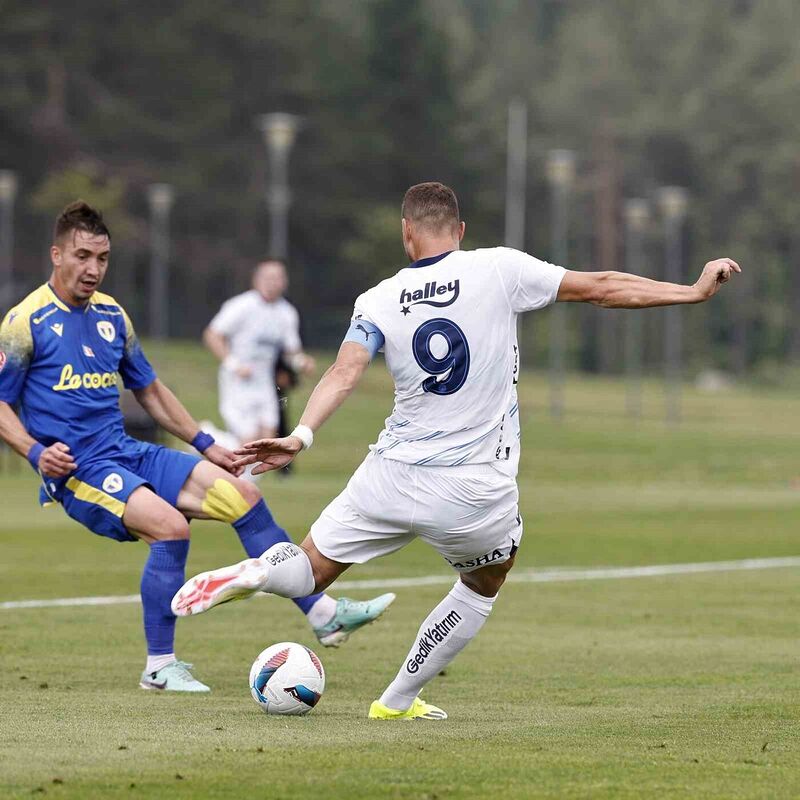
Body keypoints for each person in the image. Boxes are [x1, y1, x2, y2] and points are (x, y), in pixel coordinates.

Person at [171, 182, 740, 718]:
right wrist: (689, 292)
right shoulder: (500, 268)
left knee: (311, 571)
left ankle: (259, 573)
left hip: (388, 473)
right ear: (461, 229)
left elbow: (344, 372)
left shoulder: (379, 298)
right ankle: (396, 701)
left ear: (406, 233)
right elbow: (604, 287)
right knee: (486, 579)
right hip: (473, 486)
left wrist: (300, 437)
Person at [0, 201, 394, 693]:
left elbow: (150, 390)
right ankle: (158, 667)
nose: (93, 269)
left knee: (241, 494)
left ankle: (324, 613)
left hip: (124, 449)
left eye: (102, 258)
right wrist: (37, 454)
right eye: (82, 256)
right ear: (57, 254)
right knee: (169, 529)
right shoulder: (24, 323)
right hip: (77, 470)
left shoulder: (112, 317)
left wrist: (205, 444)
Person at [202, 260, 314, 450]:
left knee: (267, 442)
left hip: (264, 383)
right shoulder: (241, 305)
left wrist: (301, 362)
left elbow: (290, 352)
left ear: (284, 282)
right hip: (238, 382)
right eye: (268, 277)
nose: (273, 282)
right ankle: (204, 436)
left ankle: (244, 477)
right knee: (248, 439)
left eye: (278, 278)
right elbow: (212, 334)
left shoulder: (287, 313)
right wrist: (233, 364)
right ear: (256, 280)